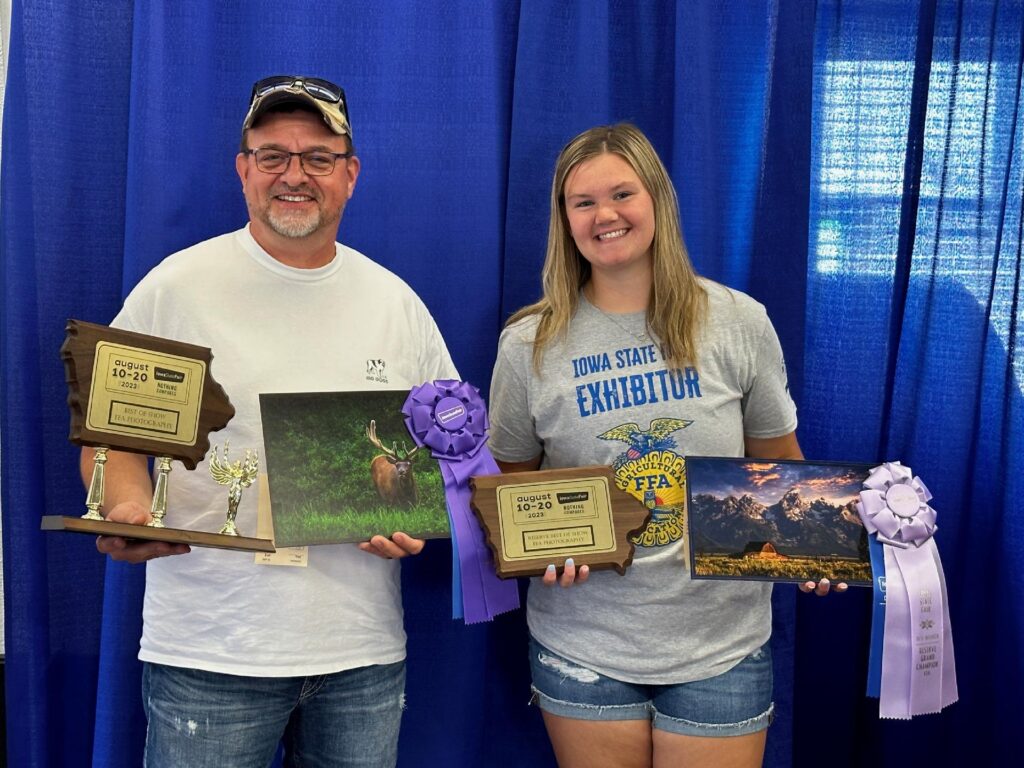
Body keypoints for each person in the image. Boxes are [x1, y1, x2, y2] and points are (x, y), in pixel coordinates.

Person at [85, 75, 457, 768]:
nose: (294, 175)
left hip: (362, 654)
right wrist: (129, 510)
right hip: (211, 653)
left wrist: (424, 518)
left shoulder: (397, 304)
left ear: (350, 174)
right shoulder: (174, 289)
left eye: (318, 157)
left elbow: (451, 455)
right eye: (273, 156)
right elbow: (112, 443)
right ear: (243, 169)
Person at [487, 123, 841, 768]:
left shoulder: (737, 321)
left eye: (622, 194)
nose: (605, 215)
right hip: (583, 644)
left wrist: (816, 548)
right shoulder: (528, 344)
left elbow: (779, 465)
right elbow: (510, 490)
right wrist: (538, 551)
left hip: (722, 643)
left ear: (658, 200)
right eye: (583, 202)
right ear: (565, 220)